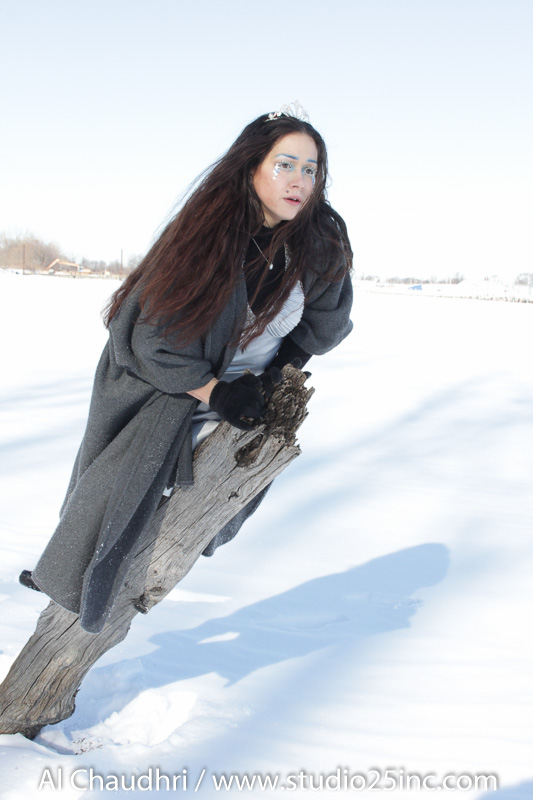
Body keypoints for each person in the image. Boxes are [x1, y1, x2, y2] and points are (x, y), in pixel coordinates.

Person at [20, 102, 353, 633]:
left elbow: (325, 325)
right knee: (117, 492)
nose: (299, 180)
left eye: (311, 169)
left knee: (213, 489)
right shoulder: (207, 234)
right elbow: (150, 341)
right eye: (284, 164)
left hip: (241, 388)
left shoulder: (320, 241)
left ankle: (140, 571)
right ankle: (67, 600)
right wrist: (216, 392)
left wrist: (272, 378)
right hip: (164, 381)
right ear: (252, 167)